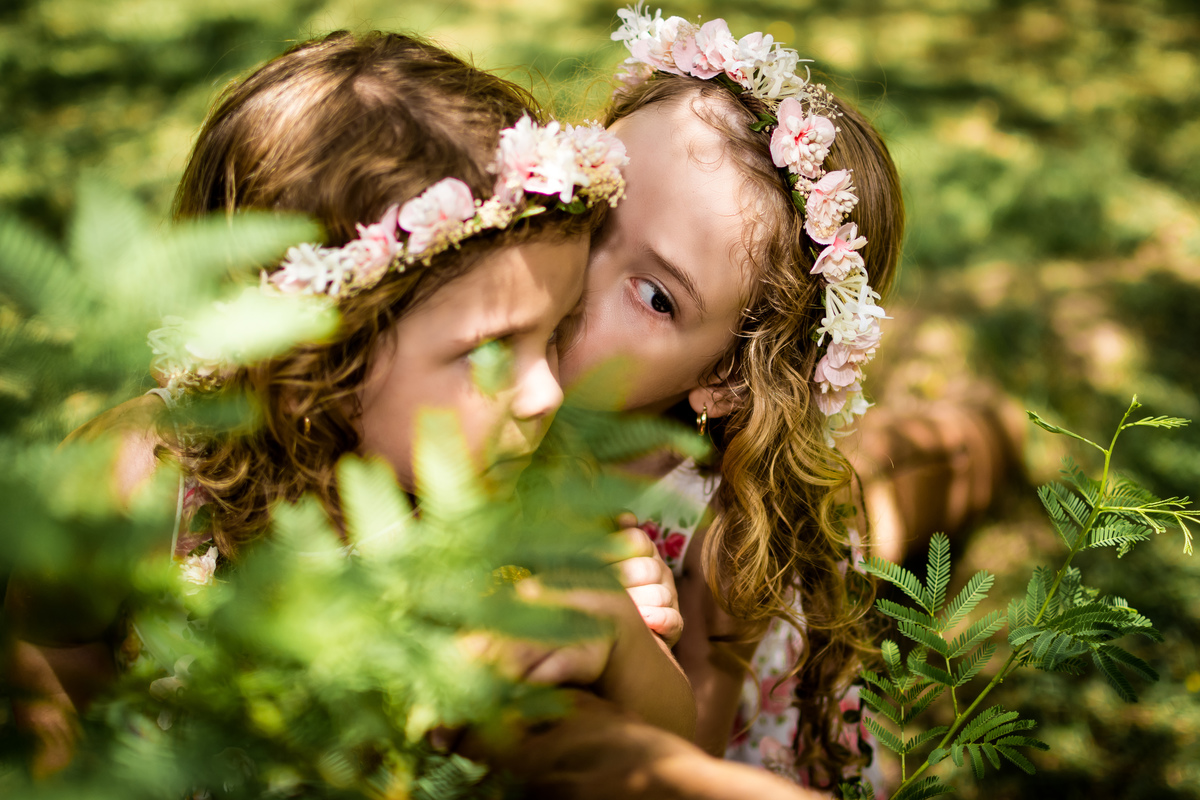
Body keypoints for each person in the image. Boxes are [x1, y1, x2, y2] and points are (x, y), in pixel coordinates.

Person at [3, 30, 694, 778]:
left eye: (555, 334)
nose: (547, 392)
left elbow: (676, 753)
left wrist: (620, 638)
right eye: (492, 350)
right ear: (316, 359)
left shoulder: (544, 509)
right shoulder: (146, 478)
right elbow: (48, 639)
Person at [555, 7, 906, 787]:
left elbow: (687, 761)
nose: (578, 271)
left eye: (655, 296)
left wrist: (620, 637)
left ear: (726, 378)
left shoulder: (720, 533)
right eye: (593, 205)